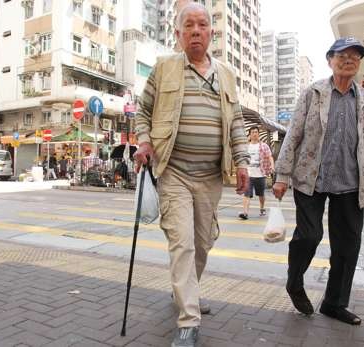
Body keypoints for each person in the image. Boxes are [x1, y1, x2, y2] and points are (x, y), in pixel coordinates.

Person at [273, 37, 364, 326]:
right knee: (309, 236)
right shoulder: (313, 93)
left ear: (360, 63)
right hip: (310, 179)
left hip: (351, 183)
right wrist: (281, 176)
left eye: (356, 55)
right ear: (330, 59)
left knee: (348, 246)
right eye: (343, 55)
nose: (349, 59)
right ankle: (294, 281)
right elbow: (294, 135)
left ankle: (334, 303)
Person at [133, 3, 249, 346]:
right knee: (181, 244)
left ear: (211, 33)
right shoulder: (164, 67)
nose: (196, 30)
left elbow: (237, 122)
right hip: (174, 173)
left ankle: (184, 292)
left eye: (203, 24)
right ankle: (189, 319)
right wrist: (144, 141)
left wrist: (242, 161)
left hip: (211, 176)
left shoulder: (227, 74)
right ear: (178, 33)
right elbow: (143, 111)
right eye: (189, 25)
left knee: (203, 243)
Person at [239, 126, 274, 219]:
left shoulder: (264, 146)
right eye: (253, 132)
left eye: (256, 132)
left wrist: (272, 167)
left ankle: (262, 208)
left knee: (261, 194)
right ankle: (245, 213)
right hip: (248, 174)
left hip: (260, 174)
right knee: (247, 194)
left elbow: (270, 156)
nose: (254, 134)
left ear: (258, 134)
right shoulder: (246, 146)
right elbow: (242, 159)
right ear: (250, 135)